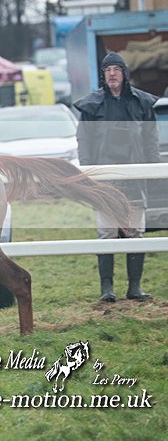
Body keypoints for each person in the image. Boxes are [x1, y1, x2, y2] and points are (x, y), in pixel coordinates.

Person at [73, 52, 160, 302]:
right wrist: (88, 174)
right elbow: (84, 141)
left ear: (124, 73)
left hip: (135, 179)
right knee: (107, 234)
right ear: (103, 75)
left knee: (134, 234)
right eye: (108, 69)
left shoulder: (141, 103)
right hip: (104, 182)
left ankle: (135, 287)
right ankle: (107, 289)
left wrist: (153, 173)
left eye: (116, 69)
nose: (112, 73)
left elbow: (150, 141)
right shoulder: (92, 105)